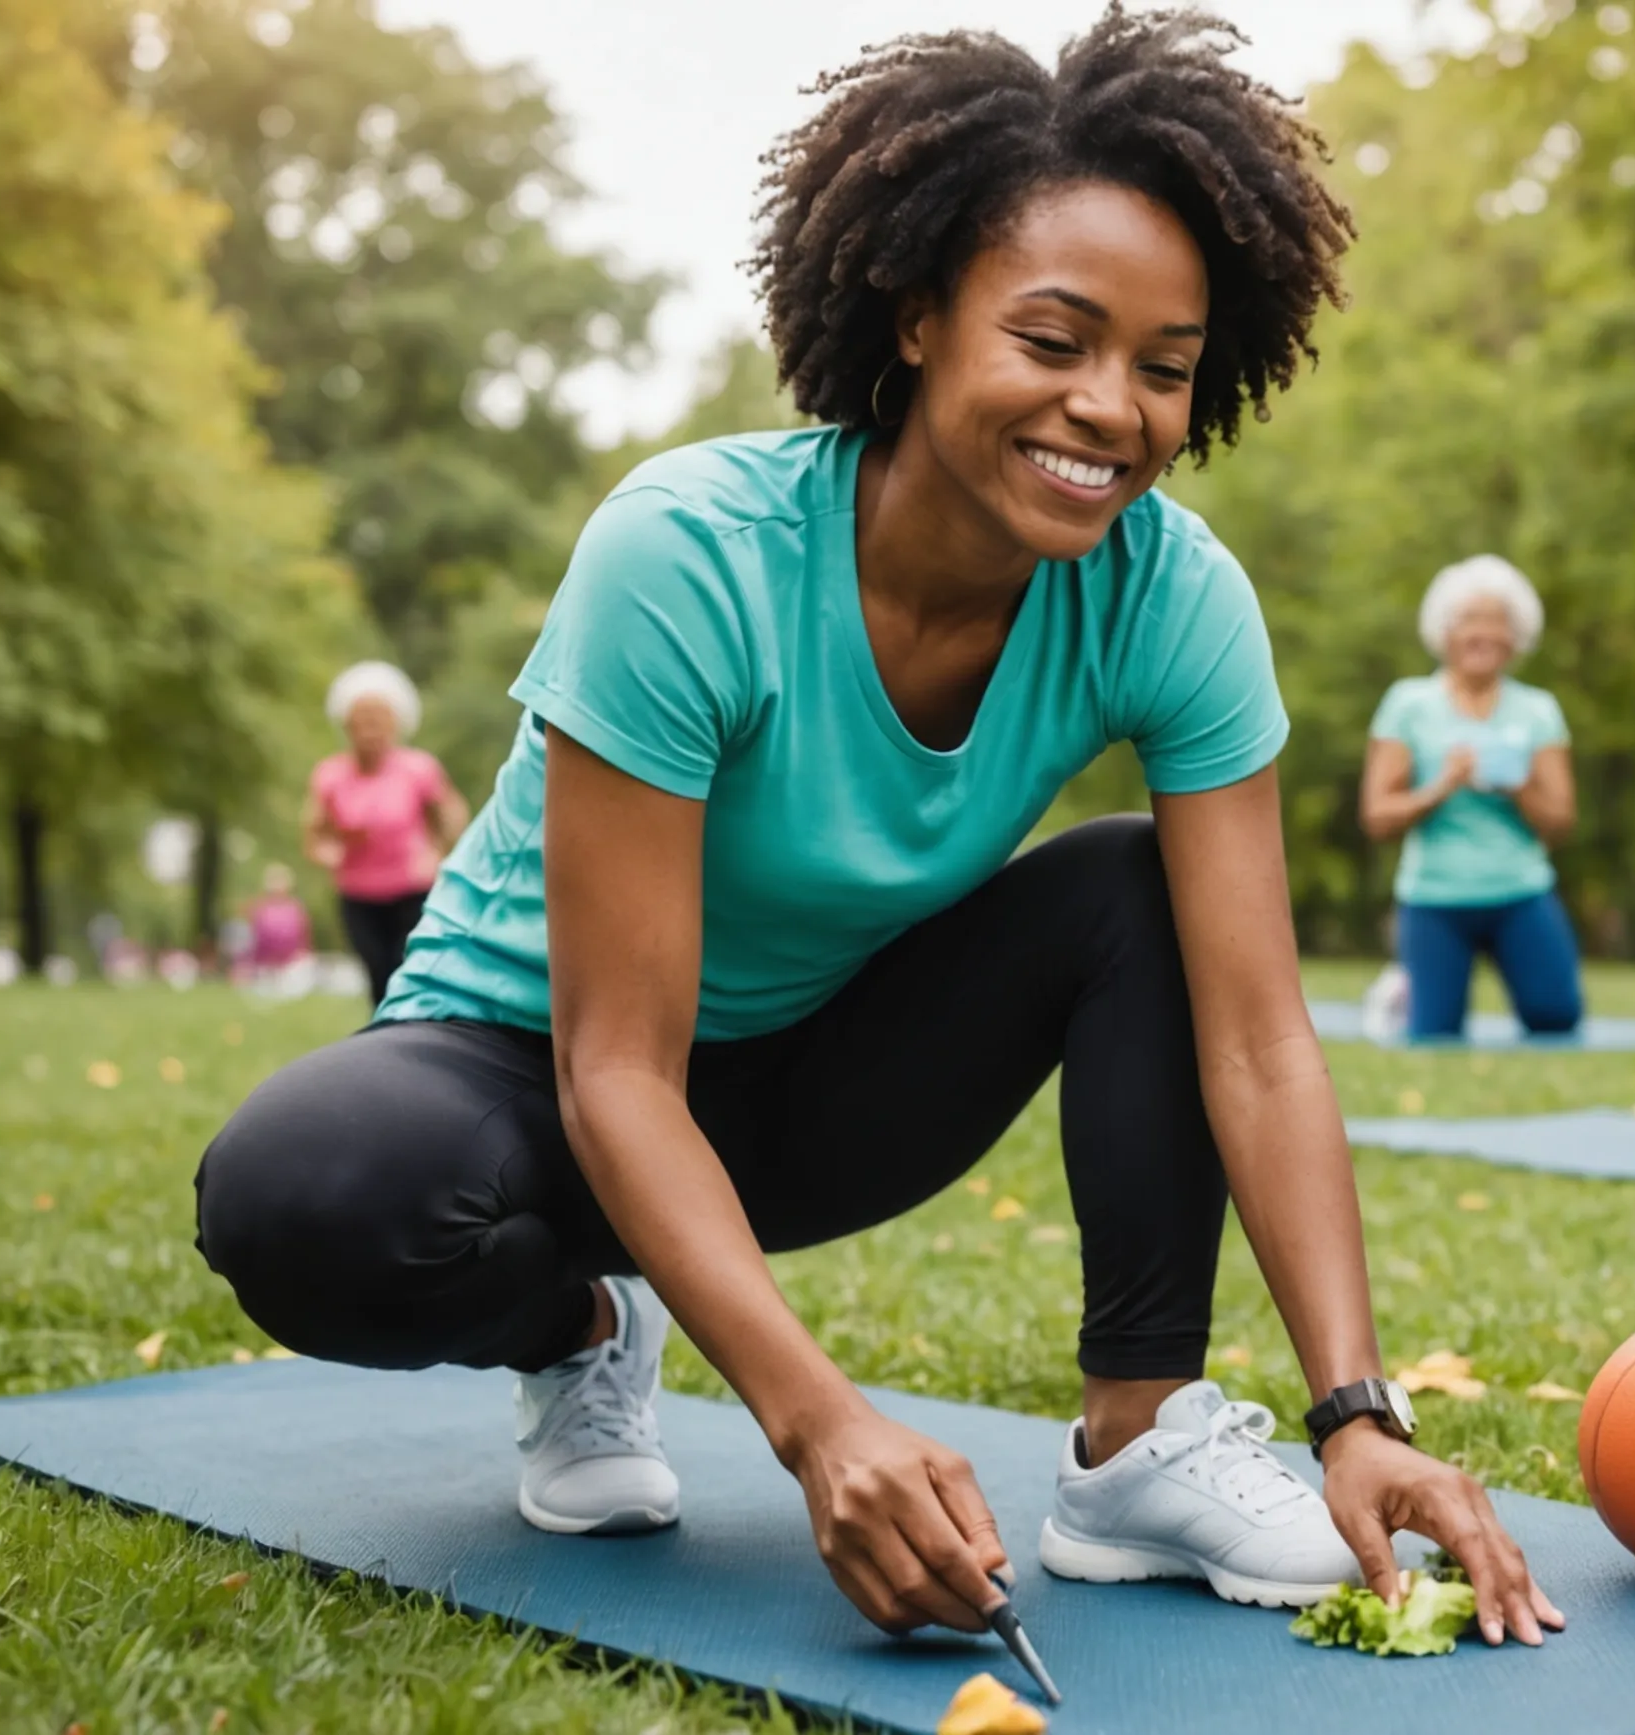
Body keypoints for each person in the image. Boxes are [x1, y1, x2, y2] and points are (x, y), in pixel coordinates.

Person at [194, 9, 1560, 1655]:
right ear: (916, 317)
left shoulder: (1171, 595)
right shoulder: (687, 554)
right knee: (298, 1195)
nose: (1109, 409)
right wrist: (816, 1422)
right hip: (537, 1080)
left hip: (818, 1081)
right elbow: (615, 1069)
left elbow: (1261, 1038)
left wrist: (1358, 1411)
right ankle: (578, 1325)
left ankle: (1137, 1447)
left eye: (1163, 367)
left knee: (1137, 886)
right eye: (1053, 340)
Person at [1357, 556, 1581, 1040]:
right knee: (1434, 1035)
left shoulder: (1538, 710)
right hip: (1435, 896)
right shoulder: (1408, 704)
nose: (1482, 634)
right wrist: (1441, 785)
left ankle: (1417, 982)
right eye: (1468, 621)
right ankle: (1405, 990)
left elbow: (1561, 822)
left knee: (1556, 1017)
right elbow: (1378, 818)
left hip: (1520, 891)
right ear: (1445, 633)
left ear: (1515, 636)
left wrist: (1516, 783)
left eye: (1496, 621)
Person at [307, 661, 468, 1007]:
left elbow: (452, 815)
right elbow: (315, 835)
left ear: (397, 723)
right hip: (358, 894)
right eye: (362, 721)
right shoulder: (330, 776)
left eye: (378, 720)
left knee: (405, 967)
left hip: (412, 890)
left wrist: (437, 854)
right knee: (376, 970)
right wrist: (331, 852)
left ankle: (409, 1031)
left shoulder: (419, 769)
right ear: (347, 725)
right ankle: (383, 1035)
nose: (370, 730)